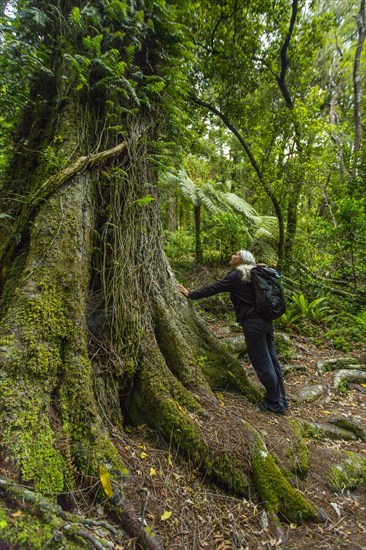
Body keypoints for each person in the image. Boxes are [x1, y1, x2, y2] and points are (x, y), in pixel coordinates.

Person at [178, 249, 288, 415]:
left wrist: (191, 294)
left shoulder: (237, 276)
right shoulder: (257, 273)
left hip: (252, 323)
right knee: (272, 360)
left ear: (242, 259)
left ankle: (274, 404)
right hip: (267, 321)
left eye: (236, 254)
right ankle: (282, 400)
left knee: (262, 362)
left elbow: (214, 288)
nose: (232, 256)